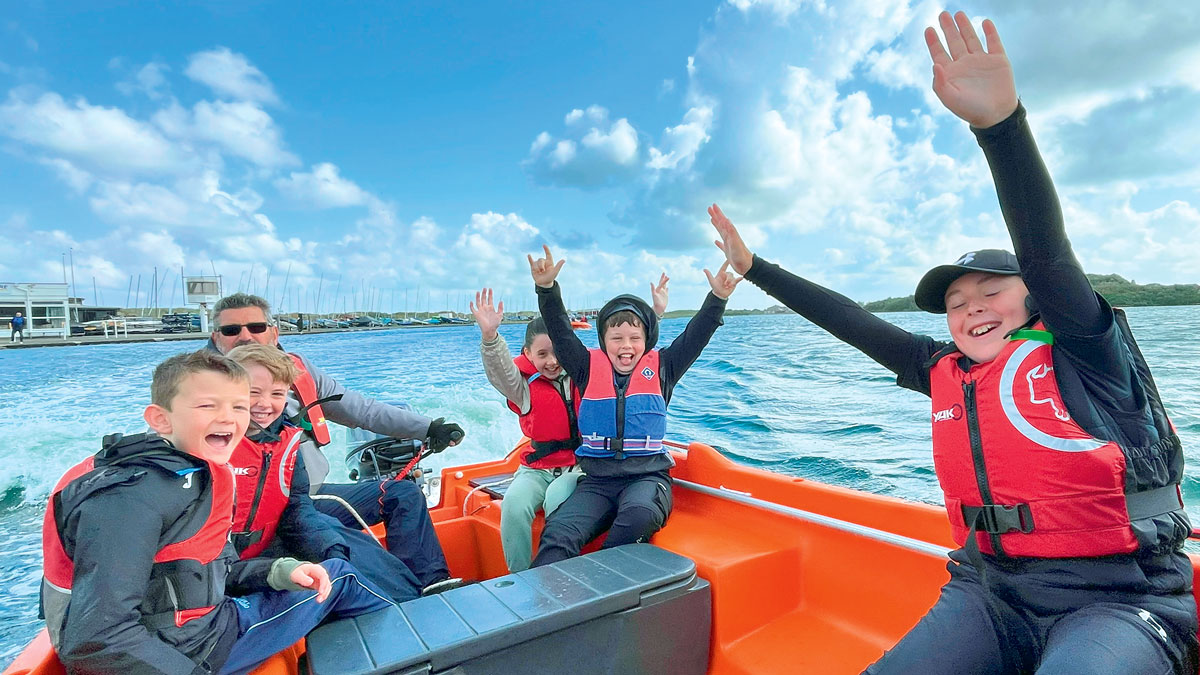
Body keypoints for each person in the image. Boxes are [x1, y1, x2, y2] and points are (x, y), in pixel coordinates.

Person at [707, 12, 1196, 674]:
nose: (971, 309)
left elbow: (1047, 254)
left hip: (1118, 600)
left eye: (990, 292)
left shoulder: (1086, 349)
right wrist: (754, 266)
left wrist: (1000, 126)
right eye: (957, 304)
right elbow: (849, 318)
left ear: (1033, 300)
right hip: (989, 592)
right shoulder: (942, 369)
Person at [41, 350, 392, 675]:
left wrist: (280, 571)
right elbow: (98, 636)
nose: (228, 418)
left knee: (325, 572)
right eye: (208, 406)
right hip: (197, 650)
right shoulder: (129, 499)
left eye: (239, 407)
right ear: (160, 420)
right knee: (343, 577)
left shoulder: (194, 473)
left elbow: (203, 569)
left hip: (196, 632)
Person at [206, 293, 465, 594]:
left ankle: (434, 584)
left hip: (310, 496)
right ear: (216, 338)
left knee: (402, 494)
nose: (245, 336)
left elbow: (358, 408)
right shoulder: (198, 394)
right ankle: (406, 599)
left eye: (256, 327)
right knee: (353, 552)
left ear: (274, 333)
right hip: (257, 521)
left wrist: (427, 428)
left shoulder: (299, 372)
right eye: (231, 330)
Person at [526, 246, 740, 566]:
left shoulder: (665, 367)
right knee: (557, 534)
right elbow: (560, 329)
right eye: (616, 338)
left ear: (645, 341)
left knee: (640, 515)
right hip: (597, 482)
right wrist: (546, 289)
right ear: (604, 342)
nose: (626, 346)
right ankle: (546, 606)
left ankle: (598, 582)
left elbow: (696, 335)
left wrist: (717, 298)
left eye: (634, 337)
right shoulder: (585, 367)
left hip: (647, 479)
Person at [471, 275, 669, 572]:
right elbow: (501, 372)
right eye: (541, 354)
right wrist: (490, 338)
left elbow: (634, 354)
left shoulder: (584, 375)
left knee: (557, 499)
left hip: (578, 466)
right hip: (536, 467)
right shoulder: (523, 387)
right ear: (527, 355)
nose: (552, 361)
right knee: (513, 506)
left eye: (556, 353)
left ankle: (564, 569)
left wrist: (655, 315)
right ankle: (522, 576)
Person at [225, 344, 422, 602]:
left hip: (270, 552)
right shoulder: (208, 447)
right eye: (253, 393)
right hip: (230, 574)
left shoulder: (284, 444)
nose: (265, 403)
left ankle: (419, 597)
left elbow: (297, 510)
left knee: (349, 555)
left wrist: (332, 554)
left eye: (276, 393)